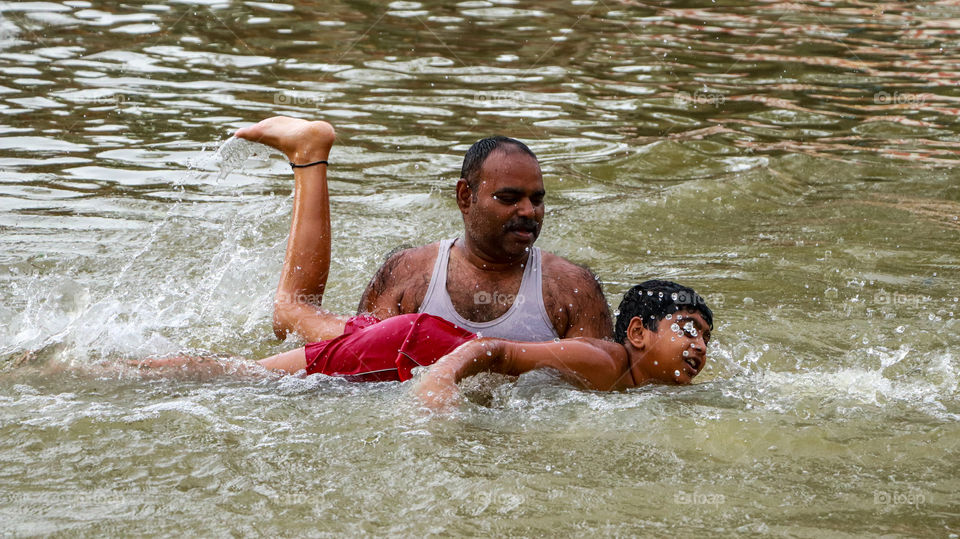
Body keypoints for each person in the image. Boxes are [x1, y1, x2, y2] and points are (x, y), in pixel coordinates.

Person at [234, 116, 612, 344]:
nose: (529, 211)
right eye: (509, 198)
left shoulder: (572, 288)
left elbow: (599, 385)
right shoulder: (409, 272)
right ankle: (309, 156)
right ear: (466, 197)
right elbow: (359, 367)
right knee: (292, 315)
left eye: (537, 199)